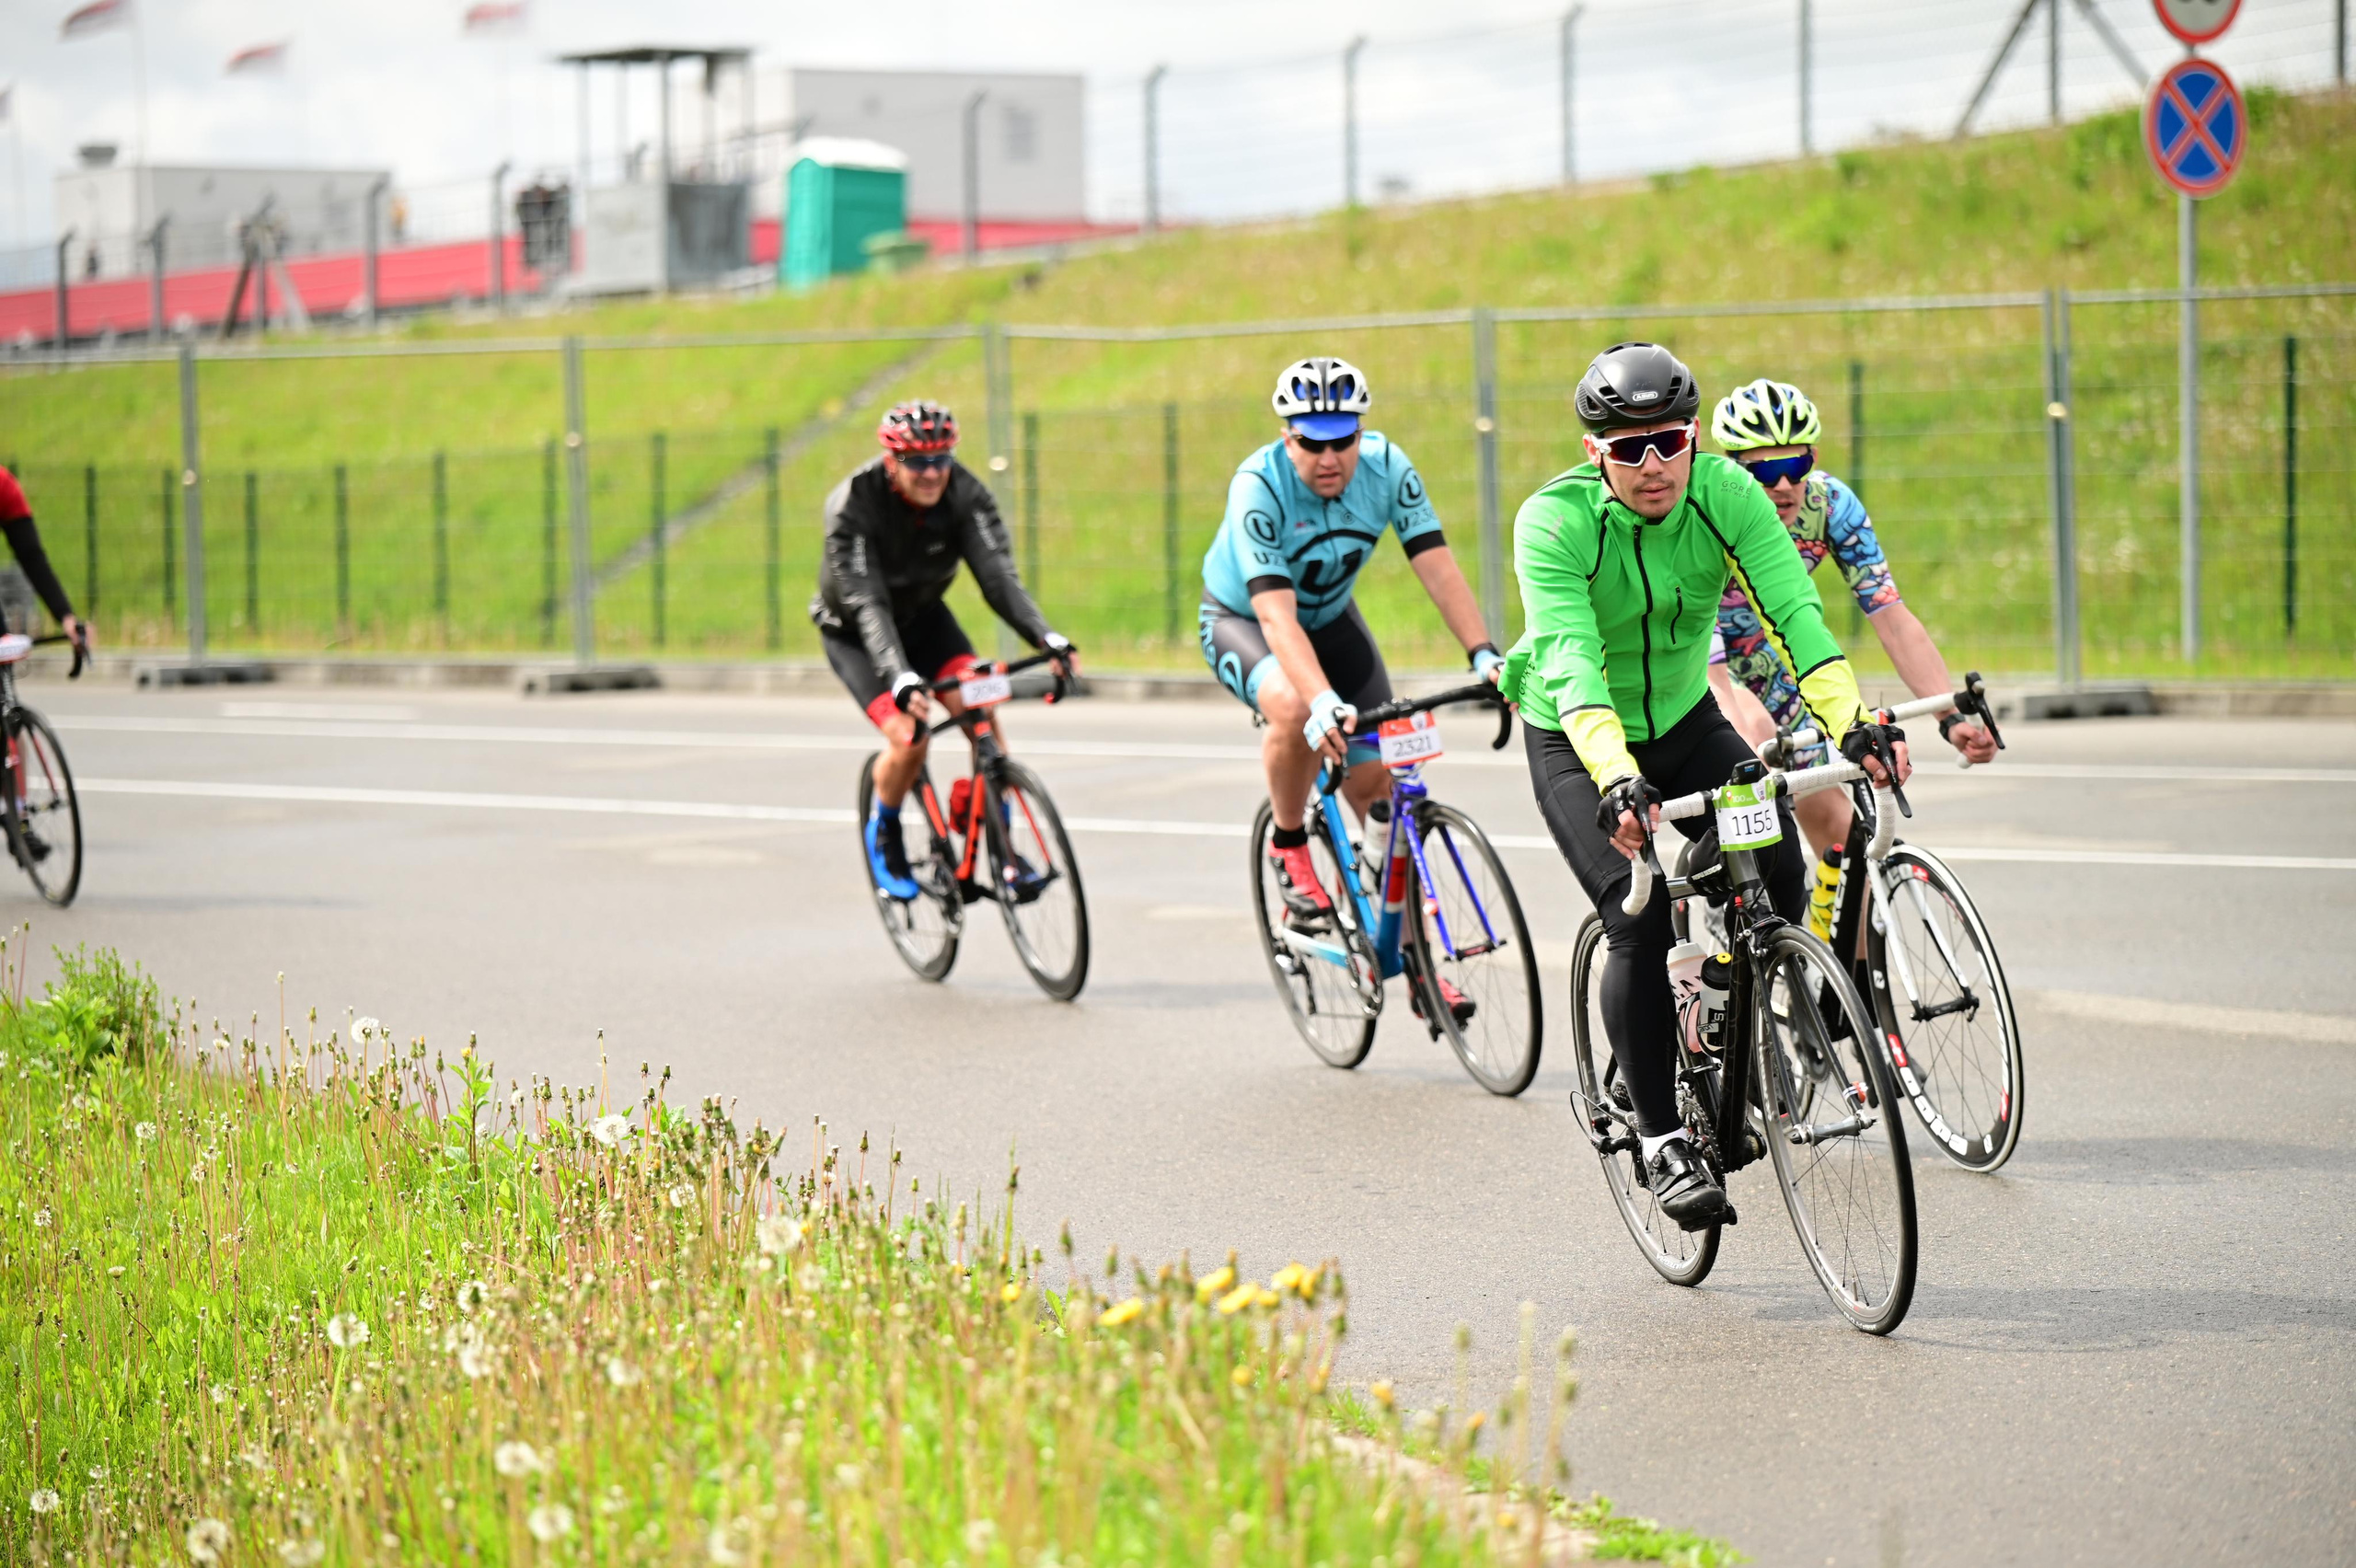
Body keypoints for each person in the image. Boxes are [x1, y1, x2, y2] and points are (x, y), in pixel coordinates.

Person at [1498, 343, 1908, 1229]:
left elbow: (1796, 614)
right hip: (1577, 737)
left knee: (1778, 863)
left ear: (1694, 436)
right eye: (1629, 448)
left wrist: (1851, 722)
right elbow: (1571, 663)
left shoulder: (1727, 495)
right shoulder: (1554, 522)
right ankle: (1657, 1139)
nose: (1654, 465)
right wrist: (1615, 779)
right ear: (1594, 452)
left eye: (1671, 441)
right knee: (1638, 915)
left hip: (1685, 720)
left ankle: (1717, 1000)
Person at [1198, 356, 1503, 1017]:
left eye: (1344, 438)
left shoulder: (1389, 467)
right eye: (1313, 440)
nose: (1330, 455)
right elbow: (1276, 616)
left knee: (1381, 788)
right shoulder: (1260, 485)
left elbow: (1437, 566)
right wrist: (1319, 700)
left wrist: (1483, 653)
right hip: (1244, 621)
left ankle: (1419, 965)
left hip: (1334, 622)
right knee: (1289, 706)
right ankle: (1288, 847)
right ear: (1289, 438)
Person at [1705, 378, 1999, 939]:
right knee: (1753, 766)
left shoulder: (1830, 506)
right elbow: (1709, 668)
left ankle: (1841, 991)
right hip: (1706, 660)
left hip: (1787, 669)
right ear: (1737, 469)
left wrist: (1950, 718)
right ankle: (1733, 907)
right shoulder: (1715, 514)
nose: (1785, 484)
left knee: (1846, 845)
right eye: (1766, 472)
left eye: (1798, 463)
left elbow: (1890, 615)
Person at [811, 400, 1073, 902]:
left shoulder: (966, 494)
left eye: (941, 459)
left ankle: (999, 845)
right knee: (911, 736)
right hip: (857, 634)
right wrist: (900, 676)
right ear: (892, 462)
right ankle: (884, 831)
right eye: (917, 461)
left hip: (926, 620)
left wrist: (1047, 639)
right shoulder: (854, 505)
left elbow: (998, 577)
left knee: (978, 706)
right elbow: (867, 605)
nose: (932, 473)